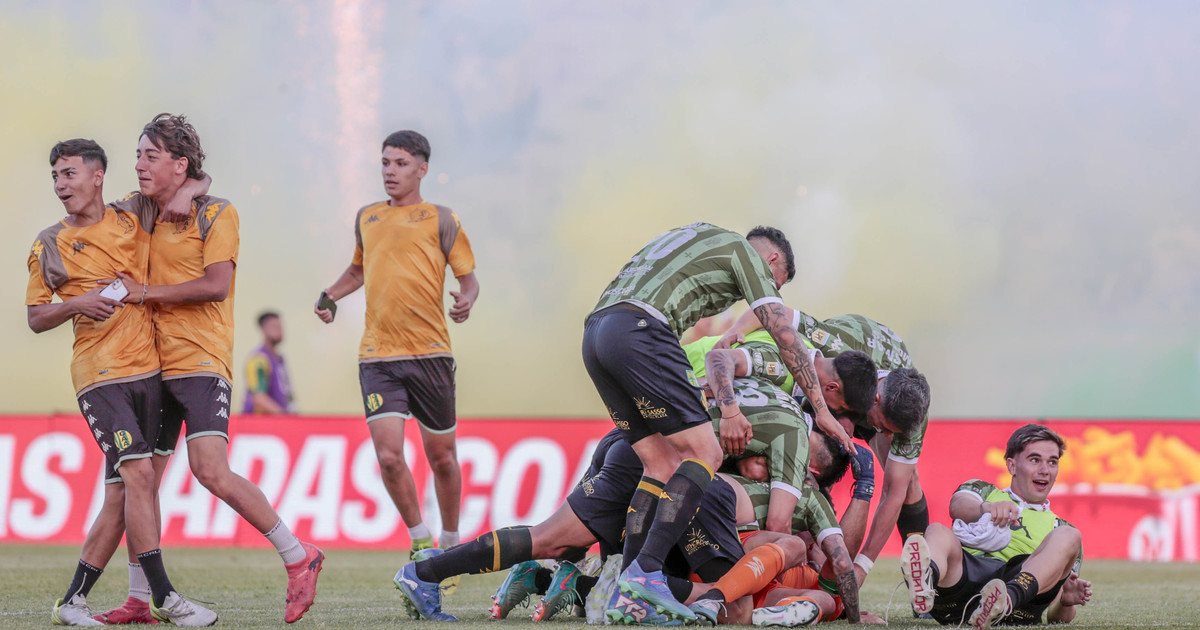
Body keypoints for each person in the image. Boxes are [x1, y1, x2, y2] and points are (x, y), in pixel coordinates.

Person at [582, 224, 862, 624]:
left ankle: (629, 584)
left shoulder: (698, 236)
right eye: (774, 284)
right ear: (772, 261)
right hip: (641, 331)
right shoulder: (746, 255)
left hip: (597, 333)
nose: (767, 294)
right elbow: (785, 336)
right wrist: (820, 409)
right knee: (706, 453)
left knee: (659, 464)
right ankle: (645, 575)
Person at [105, 114, 323, 624]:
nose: (138, 165)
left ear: (180, 165)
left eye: (150, 156)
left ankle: (299, 556)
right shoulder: (140, 210)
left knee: (209, 469)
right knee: (143, 485)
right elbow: (93, 212)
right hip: (151, 367)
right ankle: (140, 599)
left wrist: (144, 292)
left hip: (202, 361)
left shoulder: (217, 211)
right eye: (137, 154)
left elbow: (216, 285)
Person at [27, 139, 217, 626]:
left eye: (69, 173)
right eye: (55, 176)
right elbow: (36, 317)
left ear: (97, 176)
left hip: (149, 372)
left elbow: (192, 185)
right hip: (99, 376)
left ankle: (72, 602)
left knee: (121, 493)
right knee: (140, 477)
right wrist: (75, 304)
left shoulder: (132, 214)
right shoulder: (48, 242)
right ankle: (165, 596)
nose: (60, 184)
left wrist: (194, 183)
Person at [315, 130, 478, 558]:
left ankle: (451, 541)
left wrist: (466, 300)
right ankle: (421, 540)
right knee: (389, 457)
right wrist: (330, 295)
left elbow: (469, 279)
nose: (390, 171)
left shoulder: (441, 218)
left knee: (442, 458)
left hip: (431, 355)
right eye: (385, 162)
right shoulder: (367, 217)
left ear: (422, 169)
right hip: (378, 356)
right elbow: (357, 270)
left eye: (401, 164)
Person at [717, 308, 931, 581]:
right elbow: (770, 309)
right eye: (882, 428)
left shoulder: (910, 417)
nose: (885, 436)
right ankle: (791, 553)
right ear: (873, 399)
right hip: (826, 387)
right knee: (809, 461)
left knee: (908, 481)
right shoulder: (836, 348)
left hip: (856, 396)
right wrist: (734, 333)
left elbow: (893, 492)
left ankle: (923, 577)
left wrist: (863, 566)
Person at [902, 424, 1091, 629]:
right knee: (936, 531)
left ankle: (1004, 601)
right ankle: (925, 581)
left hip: (1019, 600)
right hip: (961, 588)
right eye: (1035, 460)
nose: (1045, 470)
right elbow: (957, 506)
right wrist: (987, 508)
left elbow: (1056, 618)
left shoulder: (1060, 529)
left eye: (1052, 462)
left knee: (1070, 534)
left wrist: (1066, 601)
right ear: (1012, 466)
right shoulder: (986, 491)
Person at [242, 311, 294, 414]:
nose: (279, 330)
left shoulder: (280, 360)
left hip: (277, 424)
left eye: (280, 327)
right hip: (259, 425)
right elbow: (258, 397)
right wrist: (286, 418)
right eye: (274, 326)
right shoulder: (258, 360)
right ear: (263, 329)